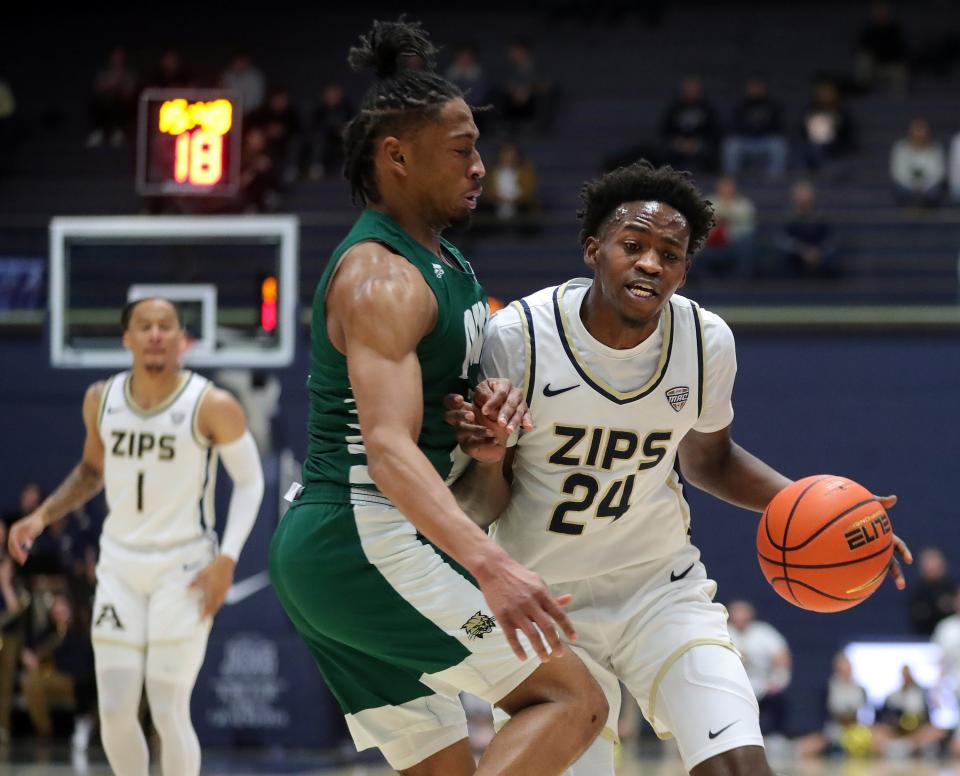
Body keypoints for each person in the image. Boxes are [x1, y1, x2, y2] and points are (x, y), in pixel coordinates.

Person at [446, 160, 911, 776]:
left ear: (685, 269)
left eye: (670, 253)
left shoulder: (705, 340)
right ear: (593, 248)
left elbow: (708, 461)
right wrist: (490, 455)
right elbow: (483, 499)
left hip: (658, 591)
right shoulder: (520, 337)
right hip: (546, 605)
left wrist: (832, 511)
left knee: (740, 766)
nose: (649, 263)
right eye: (632, 246)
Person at [267, 19, 605, 776]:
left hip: (349, 545)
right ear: (397, 155)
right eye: (463, 149)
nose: (482, 167)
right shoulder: (382, 277)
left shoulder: (444, 261)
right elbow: (386, 449)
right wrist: (494, 566)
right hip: (361, 538)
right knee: (573, 700)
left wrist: (485, 449)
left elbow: (454, 473)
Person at [8, 297, 265, 776]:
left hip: (184, 568)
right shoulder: (100, 399)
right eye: (144, 326)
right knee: (115, 714)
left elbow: (251, 481)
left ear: (181, 339)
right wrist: (40, 517)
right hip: (120, 569)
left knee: (168, 707)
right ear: (126, 339)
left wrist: (227, 559)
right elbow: (90, 472)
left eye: (165, 326)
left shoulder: (212, 403)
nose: (154, 334)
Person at [726, 600, 791, 737]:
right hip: (731, 687)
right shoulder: (723, 632)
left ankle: (775, 736)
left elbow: (782, 657)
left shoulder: (763, 632)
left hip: (762, 687)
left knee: (778, 700)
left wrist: (778, 681)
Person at [722, 78, 787, 179]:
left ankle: (774, 179)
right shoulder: (741, 105)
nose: (755, 90)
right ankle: (731, 180)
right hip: (746, 141)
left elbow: (779, 127)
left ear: (763, 88)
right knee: (731, 145)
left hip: (765, 140)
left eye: (758, 87)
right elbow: (734, 126)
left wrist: (762, 129)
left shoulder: (772, 105)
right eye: (752, 87)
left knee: (778, 145)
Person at [775, 181, 840, 278]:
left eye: (806, 197)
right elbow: (782, 239)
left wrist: (817, 251)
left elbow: (831, 239)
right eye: (800, 197)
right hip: (795, 255)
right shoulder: (787, 218)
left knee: (831, 256)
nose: (803, 200)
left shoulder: (821, 217)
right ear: (794, 198)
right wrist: (802, 250)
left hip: (818, 254)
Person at [660, 76, 720, 173]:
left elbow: (715, 131)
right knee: (663, 152)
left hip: (700, 143)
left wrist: (696, 143)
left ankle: (709, 180)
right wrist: (677, 141)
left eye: (693, 90)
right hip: (678, 144)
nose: (690, 93)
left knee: (711, 152)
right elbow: (664, 130)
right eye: (688, 90)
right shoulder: (674, 107)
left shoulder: (707, 108)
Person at [890, 117, 946, 208]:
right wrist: (913, 185)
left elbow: (938, 174)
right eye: (916, 131)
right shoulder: (901, 148)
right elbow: (898, 173)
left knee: (935, 192)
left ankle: (923, 208)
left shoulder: (936, 149)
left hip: (929, 187)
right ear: (910, 133)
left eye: (922, 132)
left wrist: (924, 185)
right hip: (906, 186)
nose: (919, 135)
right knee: (900, 190)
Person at [908, 547, 956, 636]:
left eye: (935, 562)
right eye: (928, 563)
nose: (932, 567)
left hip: (952, 636)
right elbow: (917, 617)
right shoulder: (918, 594)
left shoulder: (953, 589)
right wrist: (938, 607)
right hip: (925, 639)